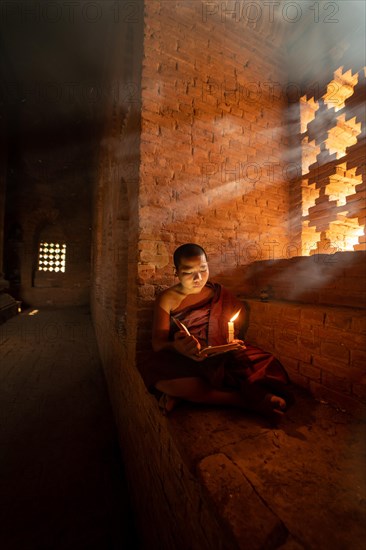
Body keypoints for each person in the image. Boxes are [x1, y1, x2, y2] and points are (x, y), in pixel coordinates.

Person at [138, 243, 291, 418]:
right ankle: (243, 400)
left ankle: (187, 397)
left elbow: (233, 327)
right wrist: (177, 347)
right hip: (186, 357)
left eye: (203, 269)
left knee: (267, 363)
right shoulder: (167, 298)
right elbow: (158, 343)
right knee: (159, 373)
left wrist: (233, 345)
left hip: (221, 353)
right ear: (176, 272)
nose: (198, 278)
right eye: (188, 272)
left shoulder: (218, 293)